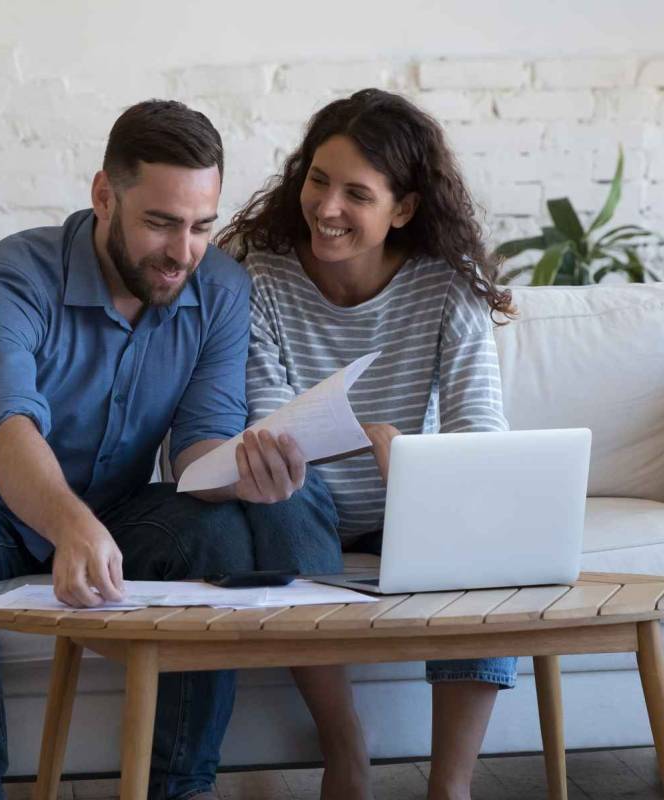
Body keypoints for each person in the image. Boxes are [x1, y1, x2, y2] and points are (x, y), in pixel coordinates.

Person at [0, 99, 312, 800]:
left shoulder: (222, 291)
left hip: (116, 517)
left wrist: (243, 476)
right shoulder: (8, 280)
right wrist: (71, 524)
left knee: (217, 527)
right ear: (104, 196)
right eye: (161, 223)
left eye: (202, 226)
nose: (183, 251)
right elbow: (7, 430)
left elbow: (196, 448)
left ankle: (180, 788)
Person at [218, 88, 520, 800]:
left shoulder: (449, 288)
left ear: (404, 208)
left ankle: (450, 785)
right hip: (302, 501)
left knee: (485, 532)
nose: (326, 209)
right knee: (277, 499)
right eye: (318, 181)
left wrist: (416, 463)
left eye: (357, 193)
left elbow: (481, 436)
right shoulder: (257, 274)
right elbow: (269, 426)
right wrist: (358, 437)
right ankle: (343, 744)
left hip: (407, 506)